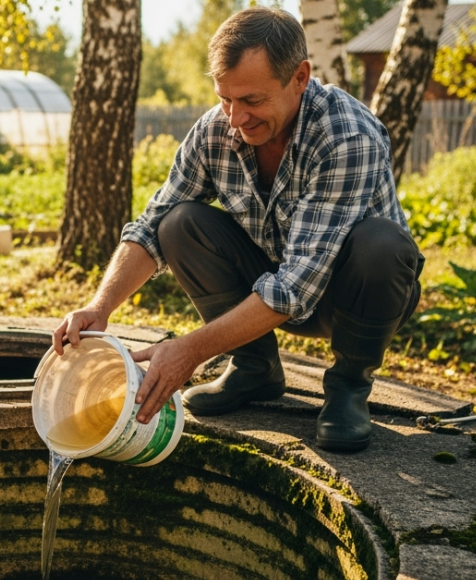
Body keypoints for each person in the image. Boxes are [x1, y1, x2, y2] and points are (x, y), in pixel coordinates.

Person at [51, 7, 423, 453]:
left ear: (300, 77)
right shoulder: (216, 131)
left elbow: (296, 288)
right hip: (274, 282)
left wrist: (189, 351)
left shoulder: (347, 137)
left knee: (381, 244)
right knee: (179, 223)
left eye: (252, 100)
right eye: (226, 98)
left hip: (354, 297)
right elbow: (151, 225)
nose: (236, 117)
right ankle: (255, 368)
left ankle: (348, 386)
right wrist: (100, 305)